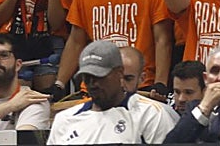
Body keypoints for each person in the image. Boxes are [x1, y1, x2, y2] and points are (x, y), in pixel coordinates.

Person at [47, 40, 177, 144]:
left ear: (119, 73)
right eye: (87, 77)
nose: (93, 83)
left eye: (99, 76)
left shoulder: (150, 115)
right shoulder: (65, 119)